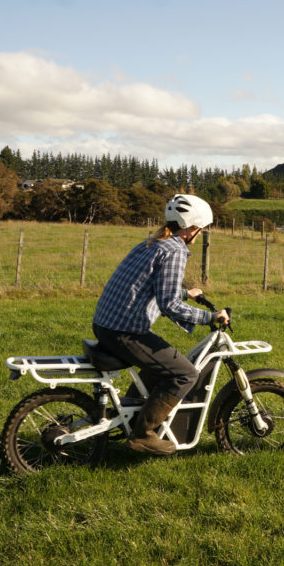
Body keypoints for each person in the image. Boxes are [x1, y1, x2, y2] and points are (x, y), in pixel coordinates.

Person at [92, 193, 230, 456]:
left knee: (163, 361)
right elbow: (169, 306)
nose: (199, 234)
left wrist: (184, 292)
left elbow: (147, 288)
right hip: (125, 331)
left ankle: (134, 411)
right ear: (191, 228)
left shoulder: (153, 243)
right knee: (186, 373)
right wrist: (210, 317)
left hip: (106, 324)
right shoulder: (176, 250)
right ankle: (143, 434)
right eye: (200, 229)